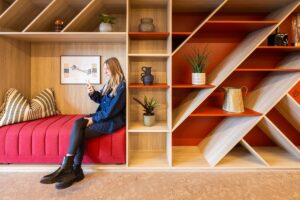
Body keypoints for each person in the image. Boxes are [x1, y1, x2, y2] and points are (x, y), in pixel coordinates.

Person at [40, 57, 126, 189]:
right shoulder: (110, 83)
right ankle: (71, 168)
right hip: (103, 116)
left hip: (112, 121)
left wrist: (94, 119)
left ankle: (73, 169)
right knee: (78, 124)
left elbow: (111, 111)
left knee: (81, 132)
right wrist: (92, 93)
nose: (105, 72)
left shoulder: (122, 86)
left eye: (106, 69)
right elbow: (102, 101)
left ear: (114, 68)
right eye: (104, 69)